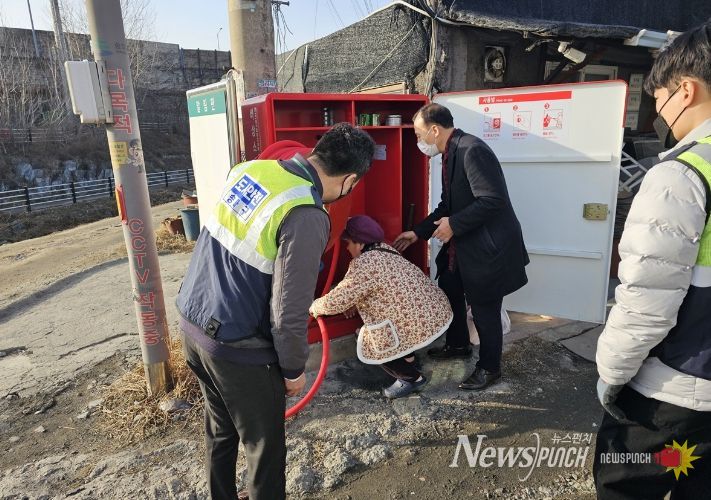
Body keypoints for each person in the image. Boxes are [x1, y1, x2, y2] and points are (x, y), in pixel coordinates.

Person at [176, 123, 375, 500]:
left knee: (220, 431)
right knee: (264, 451)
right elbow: (289, 309)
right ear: (350, 181)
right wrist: (293, 369)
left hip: (192, 323)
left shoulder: (250, 169)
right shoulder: (306, 213)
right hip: (236, 346)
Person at [594, 21, 711, 498]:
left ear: (686, 90)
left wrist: (611, 375)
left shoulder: (682, 175)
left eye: (658, 98)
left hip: (676, 394)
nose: (659, 112)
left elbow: (645, 301)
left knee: (628, 481)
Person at [393, 103, 528, 391]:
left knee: (484, 309)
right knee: (450, 287)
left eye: (418, 133)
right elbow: (448, 205)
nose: (418, 140)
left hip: (488, 247)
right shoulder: (450, 153)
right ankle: (457, 345)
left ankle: (489, 368)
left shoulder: (472, 150)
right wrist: (418, 232)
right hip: (465, 246)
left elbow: (492, 200)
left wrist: (454, 224)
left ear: (434, 130)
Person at [309, 215, 453, 399]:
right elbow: (369, 288)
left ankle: (411, 378)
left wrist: (315, 306)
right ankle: (409, 359)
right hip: (434, 313)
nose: (346, 248)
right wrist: (352, 301)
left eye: (349, 243)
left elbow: (337, 300)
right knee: (399, 323)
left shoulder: (364, 264)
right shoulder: (387, 250)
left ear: (360, 244)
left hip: (416, 324)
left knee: (371, 341)